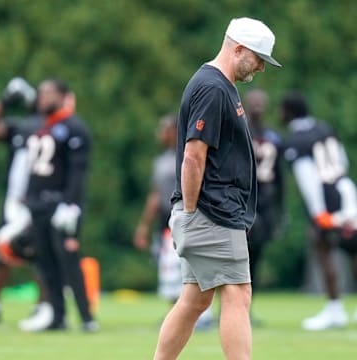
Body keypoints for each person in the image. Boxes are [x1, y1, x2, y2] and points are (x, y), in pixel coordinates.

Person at [153, 17, 281, 360]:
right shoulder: (212, 87)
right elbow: (193, 157)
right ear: (238, 48)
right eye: (258, 59)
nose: (260, 69)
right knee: (238, 294)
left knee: (195, 299)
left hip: (212, 210)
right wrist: (191, 213)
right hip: (213, 212)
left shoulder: (221, 85)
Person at [9, 78, 98, 332]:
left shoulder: (73, 127)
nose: (43, 98)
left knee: (69, 260)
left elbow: (77, 172)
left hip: (61, 205)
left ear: (63, 96)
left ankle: (87, 317)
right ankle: (57, 316)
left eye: (49, 93)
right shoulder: (39, 127)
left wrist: (70, 204)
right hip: (37, 205)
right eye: (41, 94)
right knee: (45, 263)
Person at [281, 91, 357, 330]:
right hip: (346, 188)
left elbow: (308, 179)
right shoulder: (324, 128)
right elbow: (341, 162)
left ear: (289, 112)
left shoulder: (295, 139)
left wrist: (319, 213)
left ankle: (335, 309)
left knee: (321, 246)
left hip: (327, 199)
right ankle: (337, 309)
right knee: (354, 249)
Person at [134, 114, 213, 330]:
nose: (160, 133)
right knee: (170, 268)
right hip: (166, 220)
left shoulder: (189, 155)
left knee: (195, 265)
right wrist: (144, 225)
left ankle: (202, 315)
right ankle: (176, 314)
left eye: (164, 129)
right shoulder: (160, 161)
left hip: (189, 216)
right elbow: (155, 195)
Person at [0, 77, 48, 324]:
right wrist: (4, 102)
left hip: (37, 201)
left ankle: (44, 306)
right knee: (1, 253)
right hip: (14, 203)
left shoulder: (52, 126)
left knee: (41, 254)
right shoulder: (21, 127)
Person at [243, 88, 285, 324]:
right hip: (242, 201)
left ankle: (246, 309)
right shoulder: (239, 130)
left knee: (255, 260)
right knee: (236, 259)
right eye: (254, 102)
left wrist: (281, 211)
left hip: (265, 204)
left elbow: (280, 178)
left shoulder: (273, 136)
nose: (258, 106)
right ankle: (228, 310)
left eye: (261, 102)